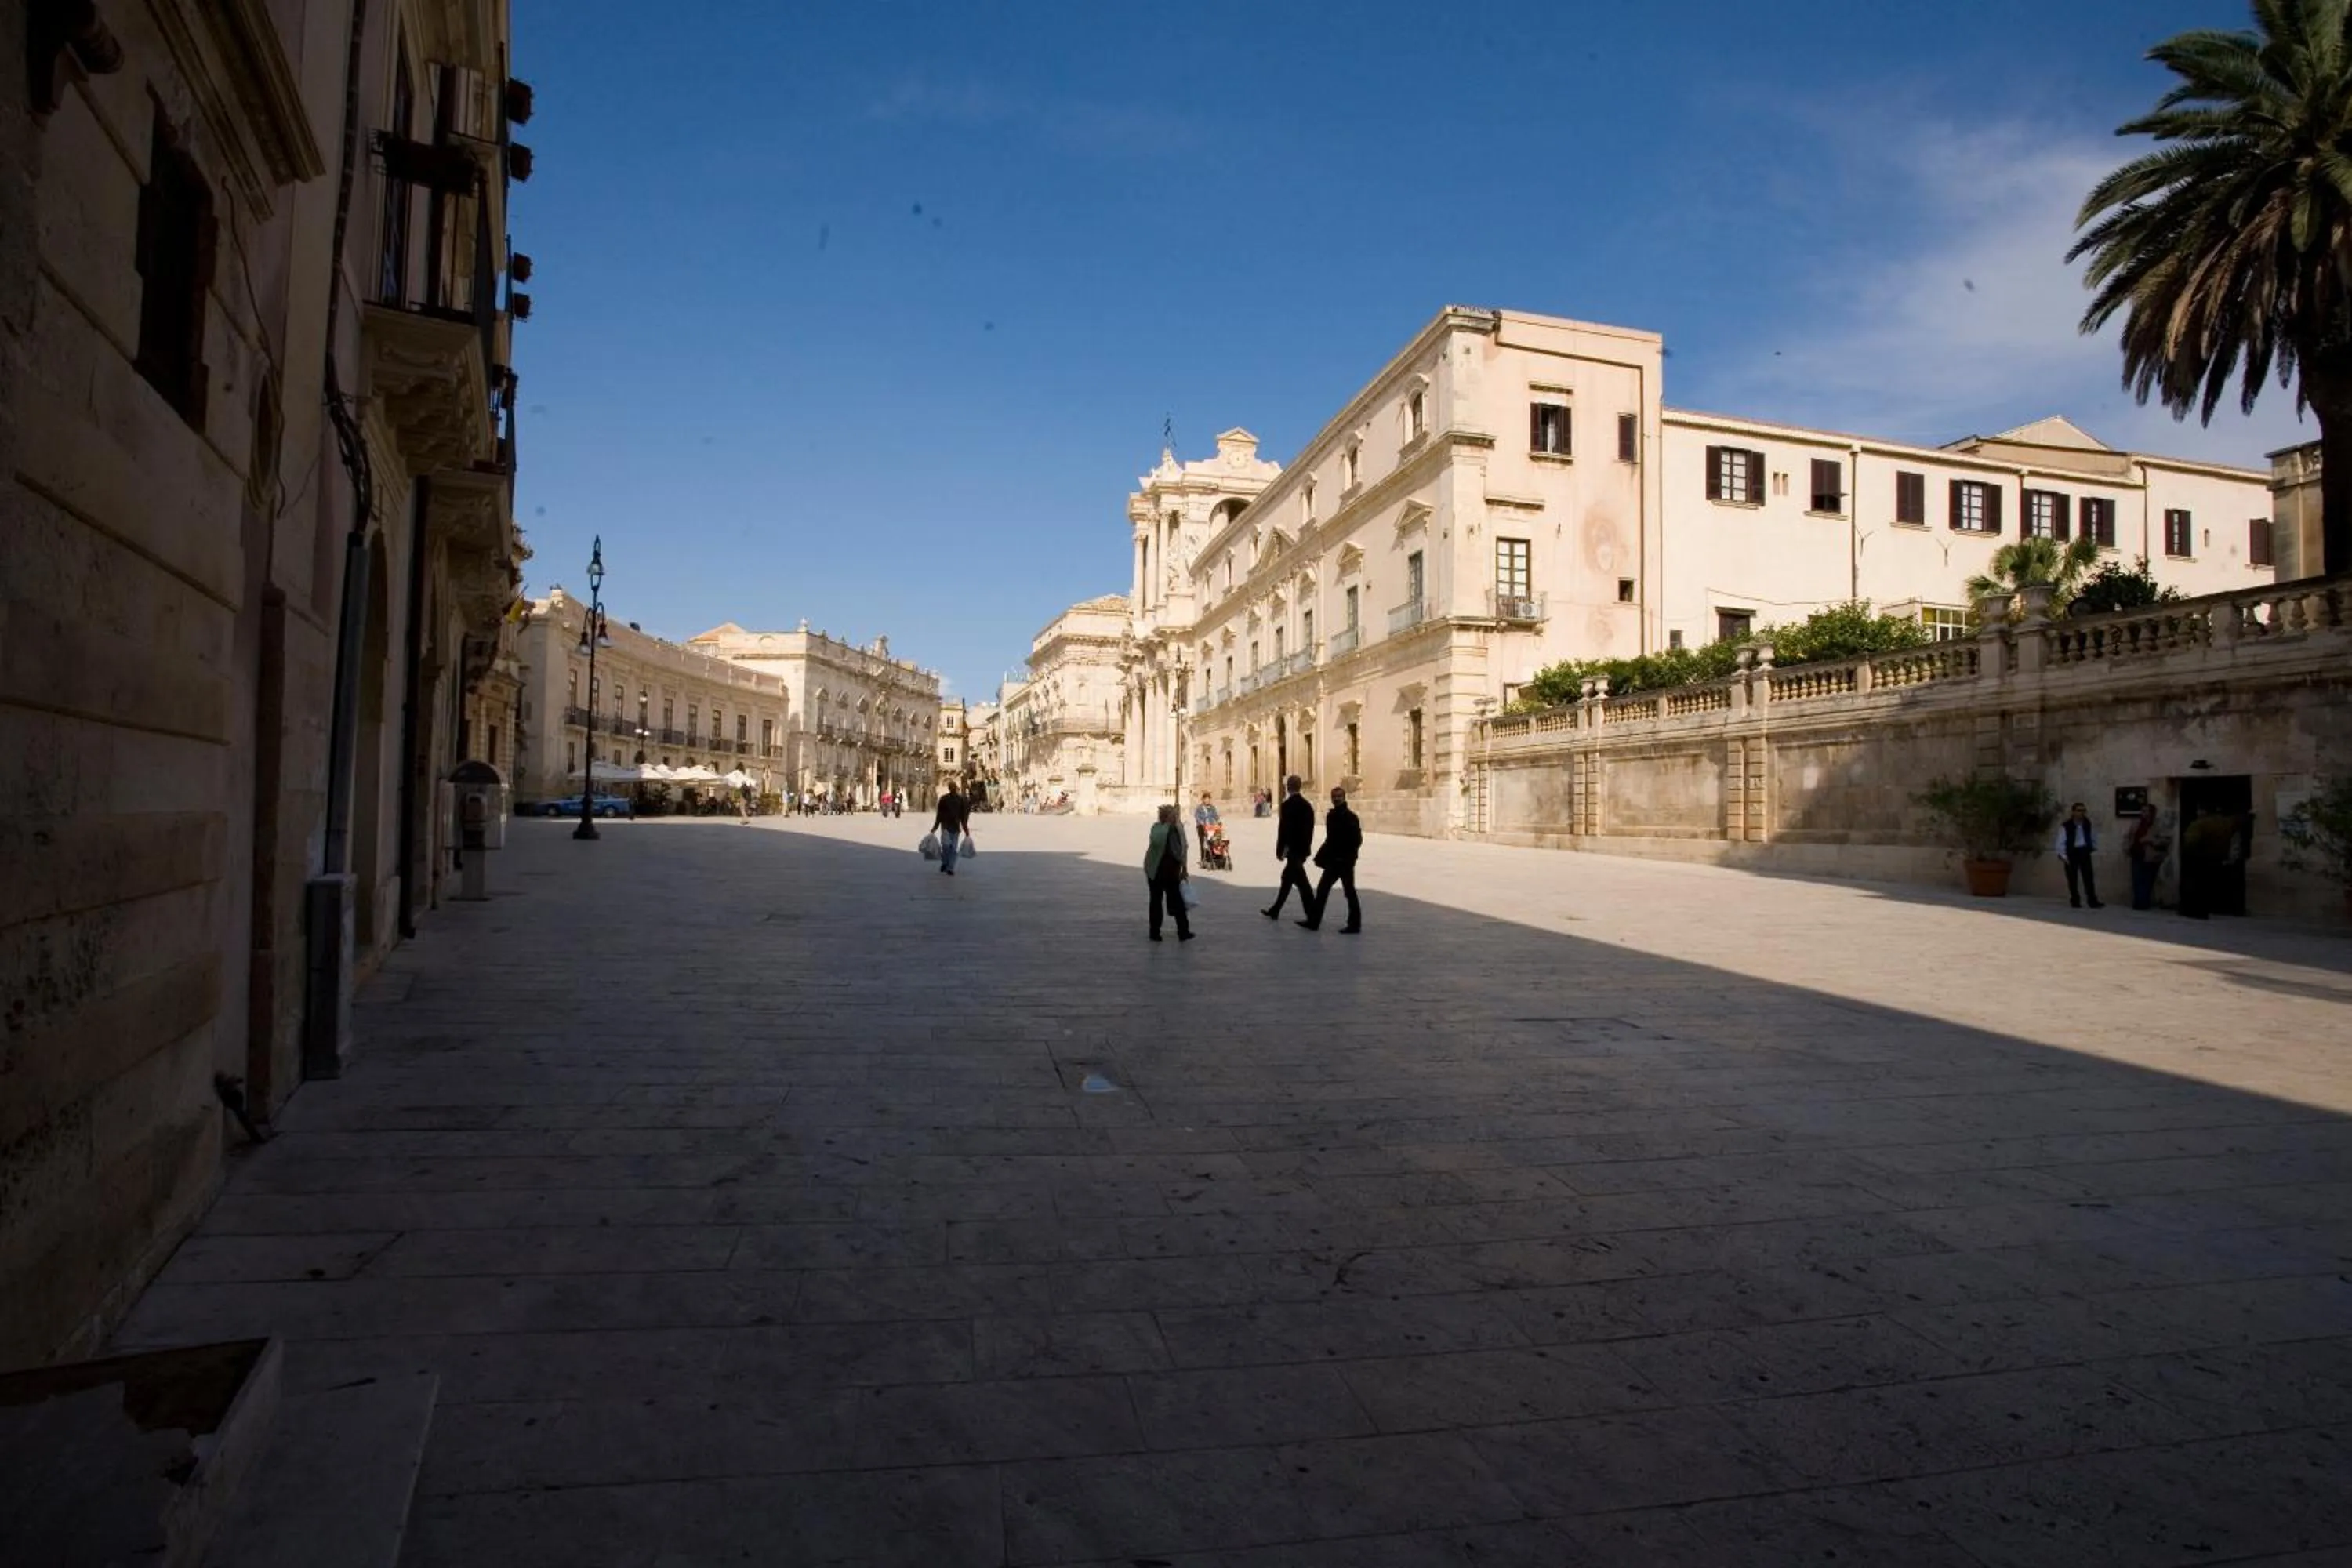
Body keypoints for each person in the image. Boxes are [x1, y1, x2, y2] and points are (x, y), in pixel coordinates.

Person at [1298, 784, 1363, 933]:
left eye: (1339, 796)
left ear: (1344, 798)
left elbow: (1357, 840)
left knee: (1349, 892)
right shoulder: (1331, 816)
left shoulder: (1350, 817)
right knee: (1322, 889)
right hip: (1333, 861)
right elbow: (1331, 839)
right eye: (1334, 797)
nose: (1336, 799)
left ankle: (1355, 924)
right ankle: (1314, 921)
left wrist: (1348, 856)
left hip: (1345, 862)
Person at [1263, 775, 1316, 920]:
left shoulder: (1287, 806)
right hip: (1302, 850)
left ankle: (1313, 913)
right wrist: (1307, 849)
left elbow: (1284, 830)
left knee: (1302, 883)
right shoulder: (1307, 806)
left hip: (1293, 851)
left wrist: (1280, 850)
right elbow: (1310, 830)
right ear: (1300, 787)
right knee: (1288, 878)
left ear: (1288, 787)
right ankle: (1276, 910)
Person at [1145, 804, 1194, 942]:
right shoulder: (1172, 830)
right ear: (1169, 817)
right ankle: (1183, 932)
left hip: (1153, 870)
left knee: (1155, 902)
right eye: (1174, 815)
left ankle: (1154, 933)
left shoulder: (1156, 828)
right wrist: (1184, 867)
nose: (1177, 818)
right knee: (1177, 901)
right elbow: (1179, 851)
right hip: (1169, 872)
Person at [2055, 801, 2101, 908]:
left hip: (2084, 851)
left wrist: (2092, 847)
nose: (2082, 813)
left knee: (2088, 877)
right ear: (2074, 812)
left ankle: (2092, 900)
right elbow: (2061, 841)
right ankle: (2075, 900)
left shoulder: (2087, 823)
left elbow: (2093, 836)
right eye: (2079, 811)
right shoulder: (2066, 826)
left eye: (2083, 811)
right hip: (2072, 852)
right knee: (2072, 878)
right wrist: (2064, 856)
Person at [2124, 803, 2166, 911]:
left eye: (2146, 811)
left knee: (2147, 881)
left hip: (2151, 857)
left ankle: (2144, 903)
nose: (2144, 813)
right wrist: (2127, 847)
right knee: (2137, 880)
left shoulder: (2158, 825)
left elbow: (2165, 840)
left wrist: (2151, 840)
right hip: (2137, 854)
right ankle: (2138, 903)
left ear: (2152, 813)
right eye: (2142, 811)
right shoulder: (2136, 824)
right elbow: (2128, 836)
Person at [932, 782, 972, 876]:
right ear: (950, 789)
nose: (954, 789)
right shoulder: (943, 799)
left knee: (953, 849)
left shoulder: (961, 800)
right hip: (945, 827)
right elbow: (939, 815)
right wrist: (935, 827)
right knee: (946, 847)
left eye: (954, 787)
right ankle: (945, 863)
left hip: (955, 828)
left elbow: (963, 816)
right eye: (952, 787)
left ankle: (950, 868)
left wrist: (966, 829)